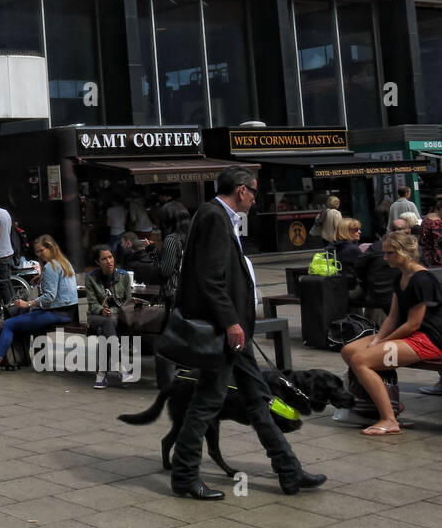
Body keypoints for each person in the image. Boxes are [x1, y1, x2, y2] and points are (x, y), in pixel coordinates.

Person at [169, 167, 324, 500]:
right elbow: (210, 278)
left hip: (234, 335)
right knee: (206, 402)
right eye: (254, 191)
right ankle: (183, 475)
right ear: (241, 190)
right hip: (224, 334)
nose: (256, 199)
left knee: (258, 400)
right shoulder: (213, 216)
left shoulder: (220, 216)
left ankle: (289, 470)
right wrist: (230, 322)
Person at [342, 231, 442, 432]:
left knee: (361, 361)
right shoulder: (401, 276)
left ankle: (389, 419)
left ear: (403, 253)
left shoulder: (422, 279)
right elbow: (393, 317)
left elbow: (413, 324)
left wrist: (380, 342)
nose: (385, 258)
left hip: (428, 339)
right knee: (349, 350)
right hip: (411, 334)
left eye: (389, 253)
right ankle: (391, 402)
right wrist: (379, 338)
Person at [0, 234, 79, 371]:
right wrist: (42, 278)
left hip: (57, 313)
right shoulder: (64, 262)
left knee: (9, 324)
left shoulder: (50, 267)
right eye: (37, 252)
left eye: (41, 250)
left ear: (50, 248)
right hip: (69, 312)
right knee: (32, 320)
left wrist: (28, 303)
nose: (39, 254)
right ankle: (39, 362)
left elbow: (49, 297)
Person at [85, 246, 135, 388]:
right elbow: (92, 303)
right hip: (96, 317)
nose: (109, 261)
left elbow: (128, 302)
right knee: (106, 322)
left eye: (110, 257)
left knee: (103, 331)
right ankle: (120, 366)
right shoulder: (91, 278)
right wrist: (101, 310)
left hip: (117, 318)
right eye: (104, 259)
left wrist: (117, 312)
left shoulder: (124, 276)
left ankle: (101, 374)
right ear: (97, 262)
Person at [131, 201, 191, 306]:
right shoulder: (190, 236)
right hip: (189, 290)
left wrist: (152, 252)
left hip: (172, 293)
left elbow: (165, 271)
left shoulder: (172, 239)